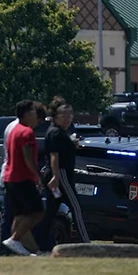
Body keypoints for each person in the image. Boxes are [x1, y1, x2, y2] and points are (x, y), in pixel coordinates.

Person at [33, 97, 91, 251]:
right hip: (61, 174)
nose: (67, 119)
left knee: (51, 211)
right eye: (63, 116)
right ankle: (86, 242)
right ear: (55, 117)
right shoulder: (55, 133)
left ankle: (40, 242)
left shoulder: (63, 133)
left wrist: (72, 144)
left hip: (60, 175)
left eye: (69, 115)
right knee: (76, 207)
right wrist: (56, 177)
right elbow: (54, 156)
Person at [0, 102, 47, 255]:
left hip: (9, 177)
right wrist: (37, 176)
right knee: (37, 212)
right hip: (22, 178)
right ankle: (15, 239)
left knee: (19, 216)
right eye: (33, 113)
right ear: (26, 114)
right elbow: (28, 158)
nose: (36, 116)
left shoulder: (13, 130)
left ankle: (15, 248)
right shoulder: (26, 132)